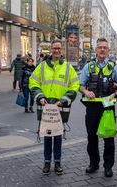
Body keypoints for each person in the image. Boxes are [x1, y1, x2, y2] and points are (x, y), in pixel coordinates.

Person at [29, 39, 80, 175]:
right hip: (46, 106)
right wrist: (40, 97)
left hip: (60, 107)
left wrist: (63, 100)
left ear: (61, 50)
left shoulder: (68, 67)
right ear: (51, 50)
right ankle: (46, 162)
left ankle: (57, 162)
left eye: (58, 48)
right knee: (47, 135)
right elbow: (33, 81)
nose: (56, 51)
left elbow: (75, 85)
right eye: (54, 48)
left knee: (58, 136)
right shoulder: (42, 66)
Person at [79, 37, 117, 178]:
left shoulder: (114, 67)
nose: (102, 49)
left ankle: (108, 167)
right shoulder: (88, 66)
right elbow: (80, 86)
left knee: (108, 138)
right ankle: (94, 164)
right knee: (92, 137)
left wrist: (114, 94)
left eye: (105, 47)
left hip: (108, 107)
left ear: (108, 50)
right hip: (92, 107)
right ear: (96, 49)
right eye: (100, 47)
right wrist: (86, 92)